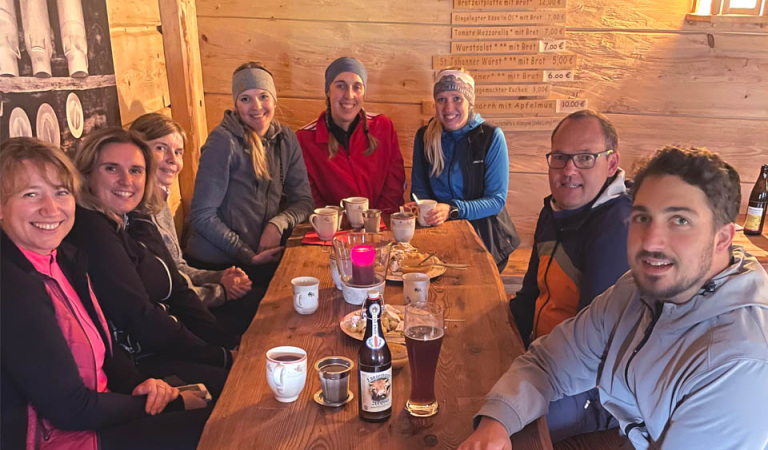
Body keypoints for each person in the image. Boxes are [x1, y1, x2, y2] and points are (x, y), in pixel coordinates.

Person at [459, 147, 768, 450]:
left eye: (680, 221)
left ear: (723, 238)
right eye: (643, 218)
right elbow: (549, 362)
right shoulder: (635, 291)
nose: (650, 241)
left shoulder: (741, 362)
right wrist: (496, 422)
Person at [1, 137, 210, 450]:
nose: (51, 208)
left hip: (100, 413)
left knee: (221, 406)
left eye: (60, 192)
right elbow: (69, 410)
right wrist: (161, 403)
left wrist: (138, 385)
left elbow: (108, 351)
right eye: (31, 194)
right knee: (220, 425)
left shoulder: (64, 258)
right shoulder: (13, 286)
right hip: (63, 439)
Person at [67, 127, 237, 398]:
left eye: (136, 170)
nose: (126, 180)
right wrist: (222, 356)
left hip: (164, 342)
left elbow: (180, 290)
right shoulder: (92, 228)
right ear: (87, 175)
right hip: (134, 365)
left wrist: (226, 344)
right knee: (235, 390)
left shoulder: (136, 218)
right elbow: (138, 316)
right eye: (112, 168)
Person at [508, 110, 630, 441]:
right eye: (560, 158)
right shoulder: (555, 211)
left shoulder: (617, 228)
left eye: (585, 158)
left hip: (594, 389)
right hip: (546, 358)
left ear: (611, 162)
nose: (569, 170)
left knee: (512, 429)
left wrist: (523, 380)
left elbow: (594, 350)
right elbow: (530, 296)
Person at [129, 113, 261, 335]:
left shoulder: (158, 204)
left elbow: (177, 267)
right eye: (161, 148)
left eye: (178, 152)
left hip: (191, 301)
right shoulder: (135, 217)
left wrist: (219, 276)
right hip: (171, 321)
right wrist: (220, 291)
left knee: (267, 303)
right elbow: (164, 291)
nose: (172, 159)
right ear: (137, 151)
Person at [186, 62, 314, 285]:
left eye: (264, 96)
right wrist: (246, 254)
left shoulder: (286, 139)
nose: (256, 106)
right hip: (218, 266)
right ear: (236, 104)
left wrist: (278, 223)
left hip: (261, 258)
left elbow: (303, 201)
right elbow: (202, 215)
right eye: (246, 98)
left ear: (274, 99)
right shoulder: (222, 142)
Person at [410, 68, 519, 272]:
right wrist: (421, 207)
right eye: (441, 99)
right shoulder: (424, 136)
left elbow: (496, 200)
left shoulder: (491, 137)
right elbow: (419, 190)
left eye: (457, 98)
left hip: (485, 240)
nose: (449, 107)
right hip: (438, 235)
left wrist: (452, 210)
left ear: (470, 102)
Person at [296, 57, 406, 214]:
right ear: (328, 90)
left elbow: (394, 186)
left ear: (364, 93)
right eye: (340, 86)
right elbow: (310, 197)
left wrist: (377, 224)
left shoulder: (383, 127)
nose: (349, 95)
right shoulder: (304, 139)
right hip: (332, 232)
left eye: (357, 87)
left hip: (379, 227)